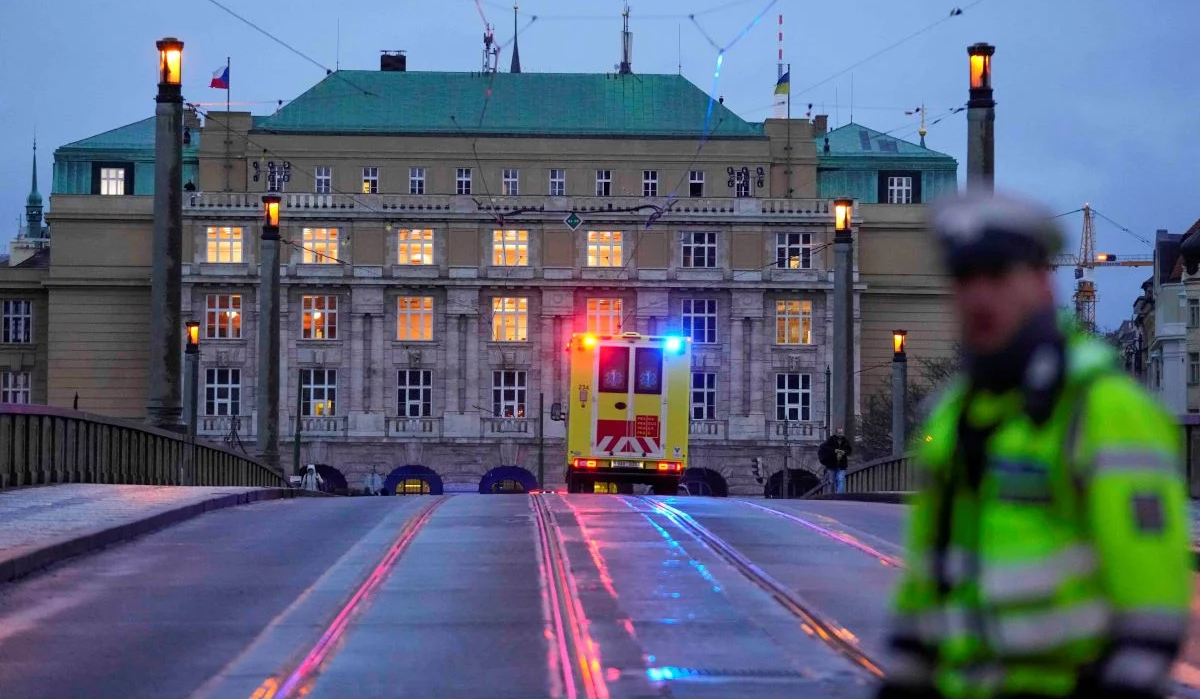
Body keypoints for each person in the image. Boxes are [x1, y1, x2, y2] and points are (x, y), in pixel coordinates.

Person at [876, 191, 1191, 699]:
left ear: (1041, 284)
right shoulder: (954, 414)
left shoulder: (1105, 408)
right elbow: (930, 577)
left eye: (998, 276)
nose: (980, 297)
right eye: (965, 279)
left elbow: (1151, 596)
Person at [818, 427, 852, 494]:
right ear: (836, 433)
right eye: (839, 433)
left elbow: (849, 450)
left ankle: (839, 496)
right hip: (831, 464)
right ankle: (831, 495)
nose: (840, 434)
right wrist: (834, 451)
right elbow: (823, 447)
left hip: (842, 464)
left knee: (840, 479)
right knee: (831, 481)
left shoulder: (845, 441)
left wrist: (844, 452)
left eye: (841, 433)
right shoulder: (831, 440)